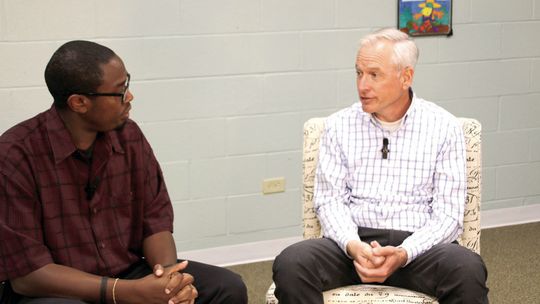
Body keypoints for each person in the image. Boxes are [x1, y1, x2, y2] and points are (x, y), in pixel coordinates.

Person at [0, 40, 247, 304]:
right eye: (120, 91)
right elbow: (28, 276)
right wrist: (126, 293)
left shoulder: (129, 136)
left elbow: (156, 221)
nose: (129, 97)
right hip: (57, 290)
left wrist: (167, 281)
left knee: (227, 287)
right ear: (79, 103)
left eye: (127, 84)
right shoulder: (15, 155)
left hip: (127, 272)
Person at [272, 28, 489, 303]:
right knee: (292, 262)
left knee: (466, 267)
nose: (363, 85)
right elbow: (329, 201)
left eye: (374, 75)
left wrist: (403, 253)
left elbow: (448, 215)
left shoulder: (443, 127)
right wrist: (353, 246)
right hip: (352, 245)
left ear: (405, 77)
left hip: (418, 249)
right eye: (359, 73)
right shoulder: (339, 126)